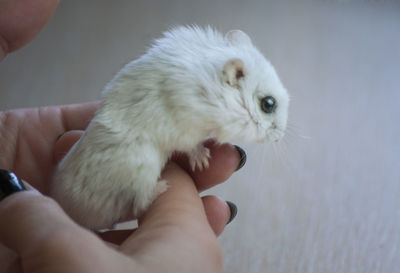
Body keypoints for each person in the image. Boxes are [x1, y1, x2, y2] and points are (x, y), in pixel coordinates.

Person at [0, 0, 247, 272]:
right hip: (116, 163)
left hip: (100, 170)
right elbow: (175, 124)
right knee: (144, 176)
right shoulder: (190, 85)